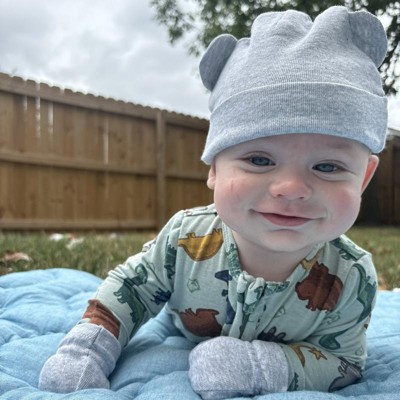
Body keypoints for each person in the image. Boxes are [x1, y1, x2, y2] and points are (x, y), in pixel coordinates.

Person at [39, 6, 388, 399]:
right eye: (259, 160)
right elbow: (130, 289)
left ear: (363, 178)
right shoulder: (184, 239)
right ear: (214, 169)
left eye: (327, 166)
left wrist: (258, 366)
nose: (291, 188)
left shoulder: (351, 277)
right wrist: (88, 347)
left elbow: (343, 360)